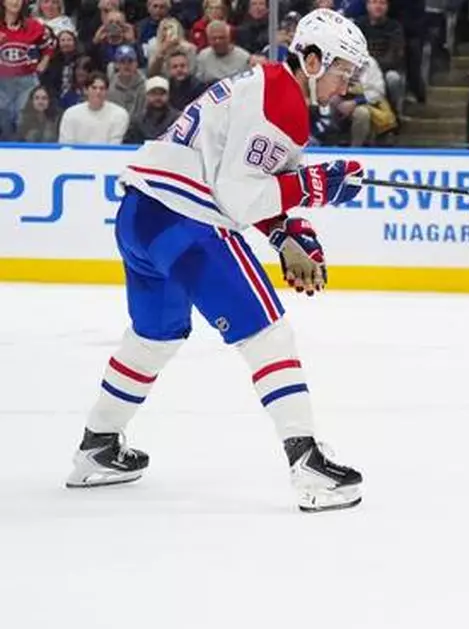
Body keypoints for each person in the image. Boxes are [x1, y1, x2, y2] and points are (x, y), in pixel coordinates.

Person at [65, 9, 371, 514]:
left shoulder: (269, 87)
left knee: (153, 337)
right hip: (187, 221)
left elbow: (248, 181)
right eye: (344, 71)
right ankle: (310, 466)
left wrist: (291, 234)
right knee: (268, 332)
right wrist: (319, 186)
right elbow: (237, 195)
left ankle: (98, 445)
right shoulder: (282, 102)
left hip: (142, 216)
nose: (348, 85)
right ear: (312, 61)